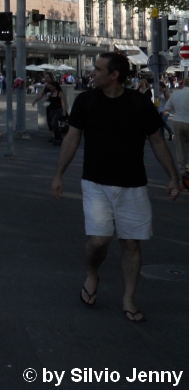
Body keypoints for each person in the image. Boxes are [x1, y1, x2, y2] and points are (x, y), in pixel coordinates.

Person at [51, 52, 182, 323]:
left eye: (98, 69)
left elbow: (157, 142)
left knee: (131, 243)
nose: (92, 72)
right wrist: (58, 174)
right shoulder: (86, 100)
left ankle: (128, 297)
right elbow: (72, 139)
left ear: (114, 75)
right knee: (99, 241)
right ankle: (92, 273)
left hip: (133, 185)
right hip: (95, 183)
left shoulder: (138, 103)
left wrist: (174, 177)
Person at [164, 81, 189, 182]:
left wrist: (177, 112)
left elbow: (167, 108)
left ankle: (182, 170)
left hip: (177, 121)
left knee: (180, 147)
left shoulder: (176, 93)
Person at [35, 72, 68, 145]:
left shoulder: (56, 85)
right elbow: (41, 94)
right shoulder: (46, 86)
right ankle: (54, 136)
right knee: (50, 122)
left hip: (57, 107)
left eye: (47, 77)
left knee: (54, 122)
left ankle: (57, 137)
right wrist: (35, 100)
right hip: (49, 107)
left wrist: (64, 109)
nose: (45, 79)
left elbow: (62, 96)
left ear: (51, 77)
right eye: (45, 77)